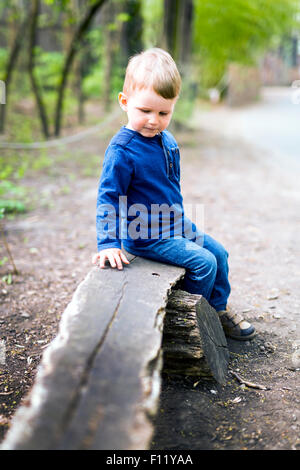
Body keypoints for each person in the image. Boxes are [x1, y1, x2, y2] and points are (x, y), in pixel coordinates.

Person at [92, 48, 255, 341]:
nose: (154, 120)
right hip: (147, 234)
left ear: (173, 107)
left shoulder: (165, 140)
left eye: (163, 113)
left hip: (175, 225)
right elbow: (109, 197)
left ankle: (216, 309)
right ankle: (185, 321)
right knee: (204, 263)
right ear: (124, 102)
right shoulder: (122, 151)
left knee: (218, 253)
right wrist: (108, 243)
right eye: (145, 111)